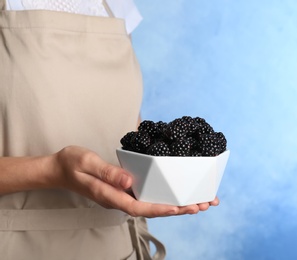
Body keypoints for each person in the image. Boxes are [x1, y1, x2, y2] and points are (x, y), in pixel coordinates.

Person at [0, 1, 219, 259]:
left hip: (119, 246)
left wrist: (158, 171)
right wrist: (52, 170)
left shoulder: (116, 5)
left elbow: (128, 126)